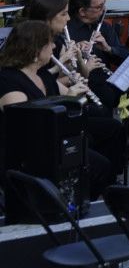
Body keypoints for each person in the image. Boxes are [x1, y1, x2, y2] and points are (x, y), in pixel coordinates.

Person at [0, 20, 121, 198]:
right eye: (49, 43)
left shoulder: (41, 74)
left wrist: (79, 91)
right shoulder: (9, 81)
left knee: (104, 146)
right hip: (29, 153)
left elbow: (73, 98)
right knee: (99, 167)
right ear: (35, 49)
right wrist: (68, 99)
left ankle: (88, 199)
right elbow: (25, 126)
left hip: (51, 140)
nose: (54, 46)